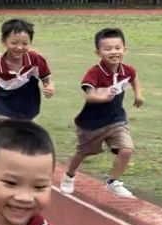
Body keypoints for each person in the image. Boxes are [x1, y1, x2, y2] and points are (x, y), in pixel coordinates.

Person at [60, 27, 144, 198]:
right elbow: (89, 95)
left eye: (117, 48)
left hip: (116, 120)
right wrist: (102, 97)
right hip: (91, 123)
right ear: (98, 52)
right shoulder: (94, 73)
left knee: (126, 149)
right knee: (82, 153)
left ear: (125, 49)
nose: (113, 52)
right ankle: (69, 176)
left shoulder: (127, 70)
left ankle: (113, 182)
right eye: (107, 49)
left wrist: (139, 95)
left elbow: (134, 80)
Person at [0, 18, 54, 122]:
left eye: (25, 43)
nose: (19, 47)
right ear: (4, 42)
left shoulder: (35, 59)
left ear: (30, 42)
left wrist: (49, 87)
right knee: (3, 130)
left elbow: (46, 79)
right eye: (14, 43)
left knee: (25, 134)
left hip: (28, 103)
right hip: (3, 102)